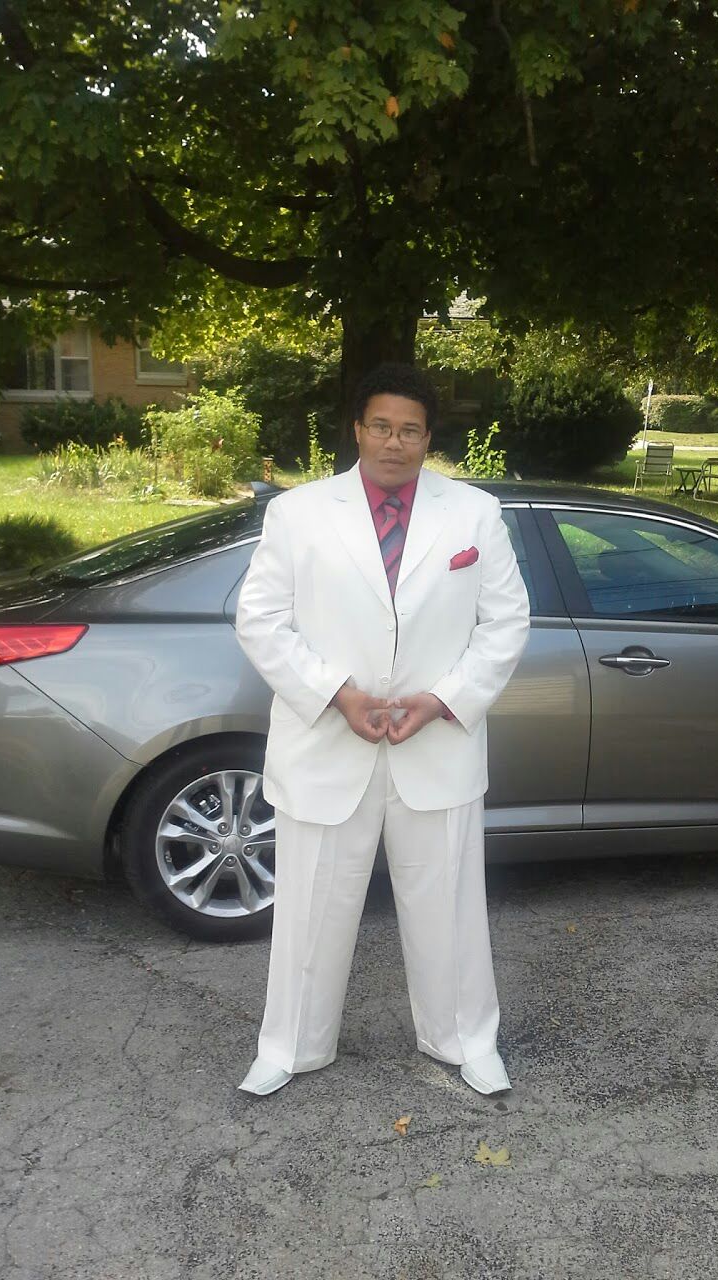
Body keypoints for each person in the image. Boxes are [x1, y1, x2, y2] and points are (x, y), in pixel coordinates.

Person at [234, 362, 530, 1097]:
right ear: (358, 430)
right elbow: (260, 619)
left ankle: (465, 1040)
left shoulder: (475, 515)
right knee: (308, 909)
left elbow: (506, 623)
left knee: (450, 910)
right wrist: (336, 694)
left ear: (428, 438)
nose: (394, 443)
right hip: (327, 742)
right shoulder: (299, 514)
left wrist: (444, 700)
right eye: (381, 427)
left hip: (437, 743)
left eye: (410, 430)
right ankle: (290, 1046)